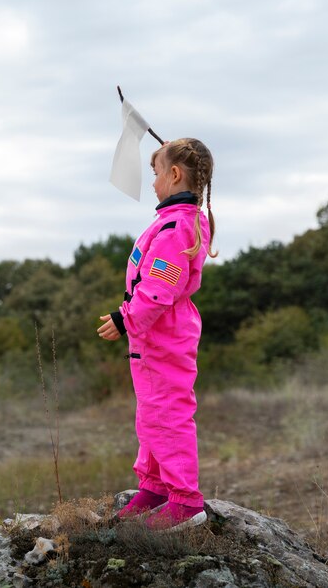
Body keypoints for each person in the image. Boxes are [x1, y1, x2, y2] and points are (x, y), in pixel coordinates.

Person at [97, 137, 217, 532]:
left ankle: (185, 500)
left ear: (175, 174)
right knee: (151, 414)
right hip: (154, 341)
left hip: (162, 338)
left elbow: (159, 289)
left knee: (168, 414)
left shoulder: (177, 228)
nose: (152, 183)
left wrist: (123, 317)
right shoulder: (176, 222)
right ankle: (156, 486)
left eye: (156, 173)